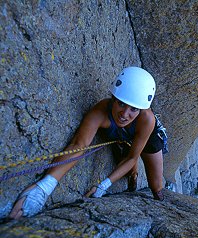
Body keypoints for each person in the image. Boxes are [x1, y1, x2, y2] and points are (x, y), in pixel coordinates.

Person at [9, 66, 167, 219]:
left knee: (156, 186)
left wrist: (103, 186)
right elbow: (79, 145)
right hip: (126, 134)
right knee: (126, 161)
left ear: (141, 110)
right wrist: (44, 187)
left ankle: (144, 185)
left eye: (133, 109)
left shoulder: (147, 119)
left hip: (148, 137)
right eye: (121, 103)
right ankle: (132, 174)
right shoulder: (101, 111)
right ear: (113, 98)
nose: (124, 114)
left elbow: (133, 157)